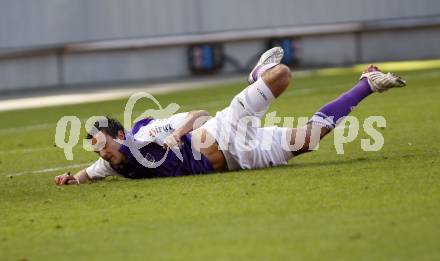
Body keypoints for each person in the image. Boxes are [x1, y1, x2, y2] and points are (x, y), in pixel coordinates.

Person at [54, 47, 406, 185]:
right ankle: (367, 83)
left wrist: (177, 135)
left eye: (103, 147)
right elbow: (92, 172)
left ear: (119, 137)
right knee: (309, 140)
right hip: (239, 160)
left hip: (223, 130)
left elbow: (200, 113)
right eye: (98, 151)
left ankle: (255, 76)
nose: (102, 155)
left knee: (281, 75)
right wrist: (73, 178)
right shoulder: (111, 163)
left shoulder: (143, 132)